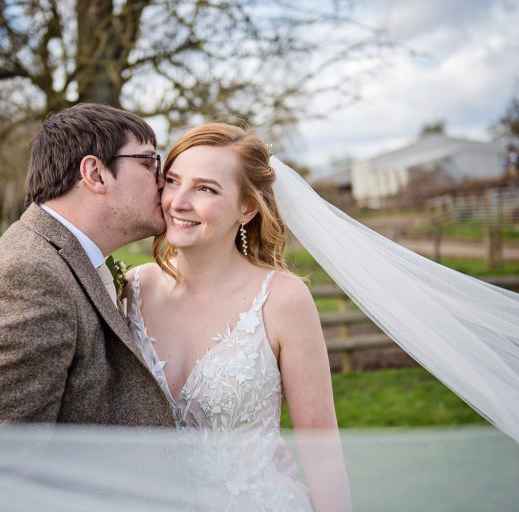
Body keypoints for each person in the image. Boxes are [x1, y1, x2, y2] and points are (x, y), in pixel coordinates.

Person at [124, 123, 352, 511]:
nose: (179, 201)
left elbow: (324, 456)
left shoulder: (282, 299)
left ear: (246, 208)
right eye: (174, 181)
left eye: (206, 189)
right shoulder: (131, 290)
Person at [0, 103, 173, 427]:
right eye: (149, 162)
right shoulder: (29, 281)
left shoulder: (62, 260)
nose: (163, 181)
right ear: (95, 174)